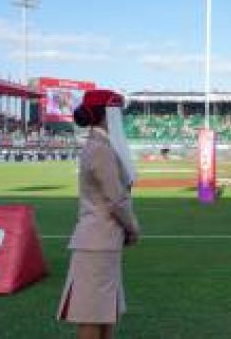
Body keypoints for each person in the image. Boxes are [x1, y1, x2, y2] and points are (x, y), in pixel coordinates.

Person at [57, 89, 140, 339]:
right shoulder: (101, 148)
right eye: (116, 113)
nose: (120, 119)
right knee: (93, 314)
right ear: (106, 114)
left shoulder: (99, 145)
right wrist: (133, 228)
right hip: (98, 242)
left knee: (104, 311)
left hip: (101, 241)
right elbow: (116, 200)